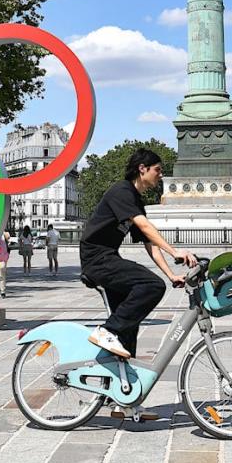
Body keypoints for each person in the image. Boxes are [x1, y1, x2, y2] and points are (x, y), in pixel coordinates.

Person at [80, 148, 197, 359]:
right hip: (97, 259)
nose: (160, 174)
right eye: (157, 170)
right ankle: (107, 331)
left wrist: (171, 275)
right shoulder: (121, 191)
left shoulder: (134, 200)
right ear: (142, 169)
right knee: (152, 285)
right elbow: (144, 226)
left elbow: (149, 242)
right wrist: (174, 251)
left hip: (108, 258)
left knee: (128, 326)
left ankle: (119, 387)